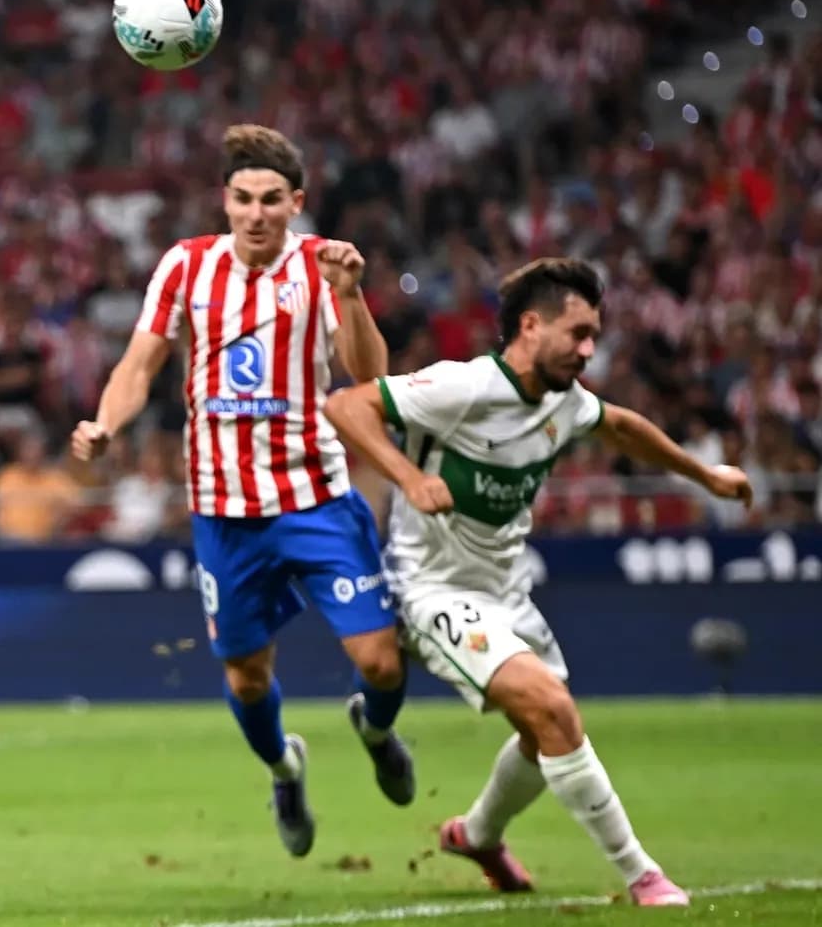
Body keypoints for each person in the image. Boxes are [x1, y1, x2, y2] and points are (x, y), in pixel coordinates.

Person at [325, 257, 750, 907]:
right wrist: (409, 480)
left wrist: (704, 475)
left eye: (593, 338)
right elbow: (347, 404)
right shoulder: (462, 387)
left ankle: (477, 833)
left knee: (538, 731)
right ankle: (643, 876)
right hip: (430, 589)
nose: (587, 351)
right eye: (577, 334)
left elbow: (620, 426)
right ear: (529, 326)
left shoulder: (566, 403)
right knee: (554, 711)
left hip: (505, 592)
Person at [72, 124, 413, 857]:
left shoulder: (323, 269)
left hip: (315, 498)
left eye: (270, 200)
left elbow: (367, 375)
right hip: (225, 515)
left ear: (296, 203)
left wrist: (352, 298)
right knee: (248, 677)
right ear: (225, 202)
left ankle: (376, 727)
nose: (255, 213)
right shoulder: (186, 266)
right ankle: (285, 767)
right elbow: (139, 365)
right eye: (241, 198)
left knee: (383, 663)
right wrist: (106, 424)